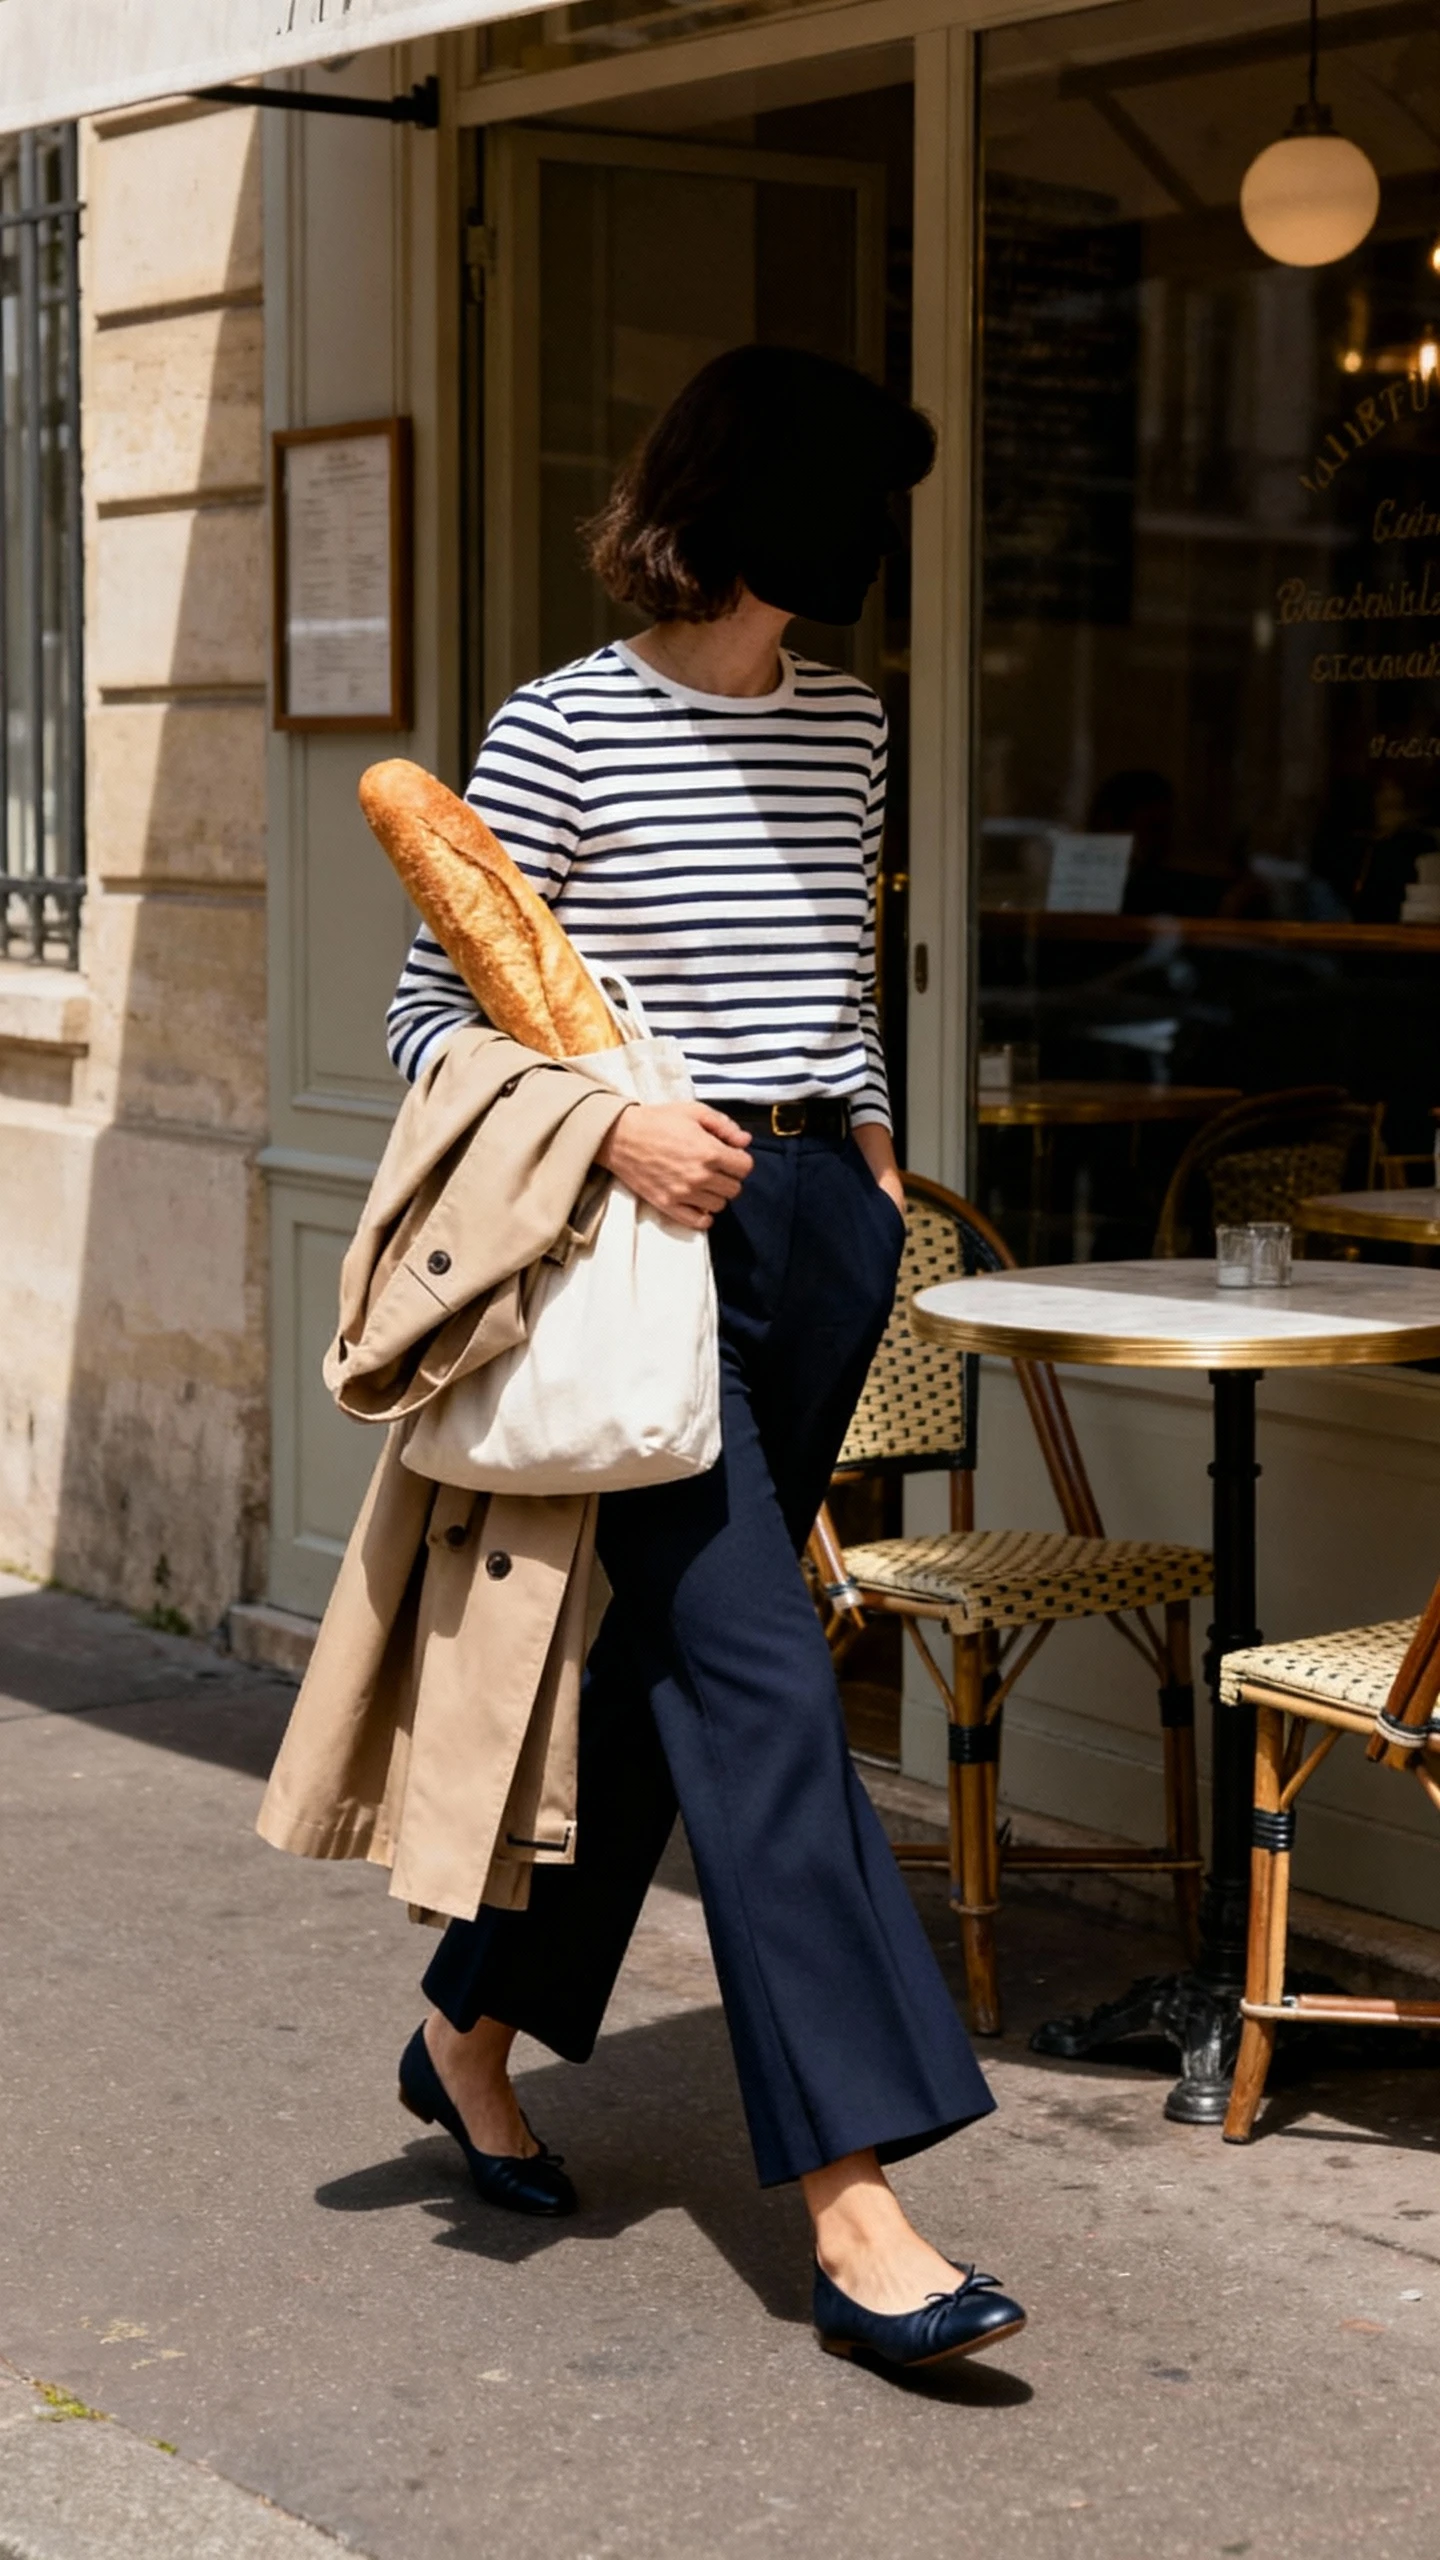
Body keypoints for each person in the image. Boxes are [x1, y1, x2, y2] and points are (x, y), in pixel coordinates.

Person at [385, 345, 1024, 2376]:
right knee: (761, 1682)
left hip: (817, 1242)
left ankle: (466, 2029)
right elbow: (430, 1022)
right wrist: (609, 1129)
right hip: (645, 1243)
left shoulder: (848, 722)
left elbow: (833, 968)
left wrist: (869, 1142)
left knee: (677, 1696)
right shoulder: (561, 726)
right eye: (863, 499)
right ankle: (858, 2201)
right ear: (769, 506)